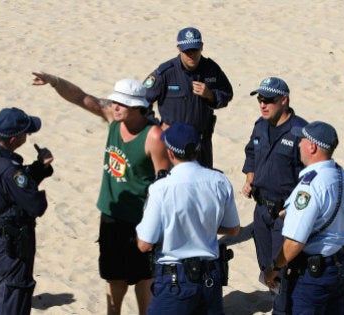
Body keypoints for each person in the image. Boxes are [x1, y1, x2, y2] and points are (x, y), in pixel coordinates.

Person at [31, 72, 170, 315]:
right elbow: (81, 97)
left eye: (121, 103)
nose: (115, 106)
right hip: (111, 214)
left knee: (144, 279)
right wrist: (55, 81)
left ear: (137, 107)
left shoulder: (154, 137)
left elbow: (165, 184)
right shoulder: (113, 119)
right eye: (114, 101)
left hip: (142, 219)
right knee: (113, 278)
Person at [136, 122, 240, 314]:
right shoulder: (219, 181)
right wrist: (202, 224)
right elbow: (233, 229)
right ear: (198, 149)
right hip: (209, 278)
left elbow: (144, 243)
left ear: (170, 153)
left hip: (174, 280)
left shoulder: (161, 188)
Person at [263, 121, 344, 314]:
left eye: (302, 140)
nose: (298, 145)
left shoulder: (310, 186)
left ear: (312, 146)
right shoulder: (342, 175)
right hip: (338, 261)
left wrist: (274, 267)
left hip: (314, 272)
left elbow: (295, 241)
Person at [242, 77, 308, 314]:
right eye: (260, 99)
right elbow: (251, 153)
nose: (262, 104)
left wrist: (294, 208)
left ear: (284, 100)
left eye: (268, 100)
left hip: (285, 215)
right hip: (261, 211)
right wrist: (250, 178)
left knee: (282, 270)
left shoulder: (301, 132)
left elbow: (309, 177)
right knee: (266, 268)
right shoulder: (260, 125)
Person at [0, 107, 54, 314]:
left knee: (5, 293)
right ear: (14, 140)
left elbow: (11, 189)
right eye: (25, 133)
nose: (28, 135)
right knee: (14, 297)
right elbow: (36, 205)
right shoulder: (9, 170)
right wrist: (34, 187)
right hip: (13, 243)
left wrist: (40, 168)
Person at [143, 26, 233, 168]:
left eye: (195, 50)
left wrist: (211, 95)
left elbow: (227, 93)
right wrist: (156, 127)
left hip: (200, 145)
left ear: (202, 47)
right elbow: (142, 100)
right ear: (179, 49)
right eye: (187, 51)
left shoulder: (211, 69)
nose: (191, 55)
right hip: (171, 146)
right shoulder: (166, 72)